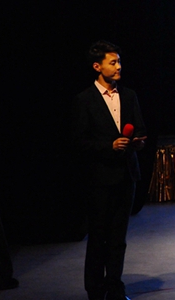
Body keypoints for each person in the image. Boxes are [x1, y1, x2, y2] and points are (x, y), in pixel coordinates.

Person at [71, 40, 146, 300]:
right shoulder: (84, 100)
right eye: (112, 62)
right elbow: (79, 141)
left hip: (126, 175)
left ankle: (115, 287)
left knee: (118, 238)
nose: (118, 67)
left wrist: (137, 141)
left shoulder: (129, 95)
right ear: (97, 66)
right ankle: (94, 289)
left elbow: (140, 128)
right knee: (98, 236)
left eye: (119, 62)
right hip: (99, 179)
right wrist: (108, 146)